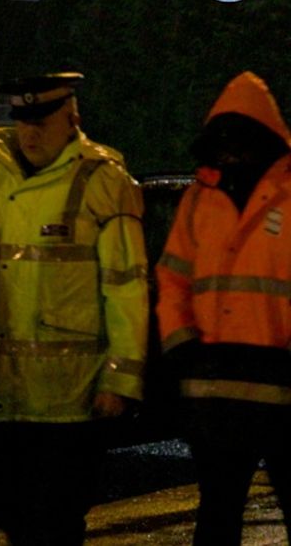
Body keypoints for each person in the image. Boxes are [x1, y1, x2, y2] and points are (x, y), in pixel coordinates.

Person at [0, 72, 148, 545]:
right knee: (11, 514)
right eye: (22, 120)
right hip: (6, 395)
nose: (30, 132)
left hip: (73, 399)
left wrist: (120, 380)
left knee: (57, 522)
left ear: (72, 118)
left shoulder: (102, 181)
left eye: (42, 121)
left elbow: (127, 287)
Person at [155, 71, 291, 546]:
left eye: (241, 140)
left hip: (277, 390)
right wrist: (182, 345)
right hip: (216, 391)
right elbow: (172, 279)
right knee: (217, 515)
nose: (231, 153)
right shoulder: (199, 200)